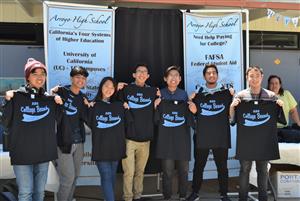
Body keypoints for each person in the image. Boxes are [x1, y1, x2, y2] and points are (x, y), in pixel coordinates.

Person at [0, 58, 63, 201]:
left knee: (39, 193)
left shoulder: (49, 99)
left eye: (43, 73)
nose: (40, 77)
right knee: (25, 192)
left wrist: (59, 104)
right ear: (27, 77)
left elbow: (59, 120)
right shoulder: (16, 97)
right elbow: (5, 121)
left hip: (43, 152)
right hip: (22, 153)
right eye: (35, 73)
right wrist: (7, 101)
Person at [229, 66, 284, 201]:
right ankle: (242, 199)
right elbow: (232, 121)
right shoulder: (241, 96)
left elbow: (282, 120)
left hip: (264, 142)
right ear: (247, 78)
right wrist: (232, 107)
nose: (254, 79)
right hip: (246, 141)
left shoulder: (271, 97)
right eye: (251, 76)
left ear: (262, 77)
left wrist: (280, 105)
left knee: (262, 172)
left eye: (257, 75)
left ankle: (263, 199)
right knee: (244, 171)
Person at [186, 64, 234, 201]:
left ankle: (224, 194)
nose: (211, 75)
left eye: (214, 73)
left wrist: (233, 95)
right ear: (204, 76)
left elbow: (233, 113)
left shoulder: (227, 93)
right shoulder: (197, 94)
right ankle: (195, 193)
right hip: (202, 136)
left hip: (221, 136)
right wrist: (190, 100)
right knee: (198, 166)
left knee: (222, 168)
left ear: (217, 75)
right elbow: (191, 113)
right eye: (208, 73)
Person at [154, 65, 196, 200]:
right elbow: (155, 119)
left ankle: (183, 196)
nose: (173, 78)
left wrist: (192, 107)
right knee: (167, 171)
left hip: (182, 140)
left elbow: (192, 119)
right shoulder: (159, 94)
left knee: (184, 171)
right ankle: (167, 197)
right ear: (165, 78)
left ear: (180, 79)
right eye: (170, 75)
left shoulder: (184, 95)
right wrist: (156, 105)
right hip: (165, 140)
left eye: (176, 75)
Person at [118, 64, 158, 201]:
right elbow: (114, 102)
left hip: (145, 139)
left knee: (140, 172)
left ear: (148, 76)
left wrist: (158, 98)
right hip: (129, 139)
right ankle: (128, 197)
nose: (141, 74)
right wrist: (118, 89)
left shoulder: (153, 92)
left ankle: (138, 196)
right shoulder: (125, 89)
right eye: (139, 71)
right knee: (129, 172)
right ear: (134, 75)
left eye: (144, 72)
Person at [86, 77, 130, 201]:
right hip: (101, 148)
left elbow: (128, 122)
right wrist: (89, 107)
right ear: (101, 87)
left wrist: (125, 106)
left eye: (112, 87)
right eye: (106, 86)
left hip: (116, 147)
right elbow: (88, 122)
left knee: (111, 177)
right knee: (106, 176)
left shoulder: (119, 105)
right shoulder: (94, 106)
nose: (109, 89)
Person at [51, 66, 89, 201]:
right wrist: (53, 94)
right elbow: (51, 101)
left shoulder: (83, 97)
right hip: (63, 142)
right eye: (78, 77)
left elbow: (87, 120)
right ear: (71, 78)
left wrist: (88, 106)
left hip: (79, 142)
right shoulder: (61, 91)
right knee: (67, 178)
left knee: (75, 177)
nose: (81, 80)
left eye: (83, 78)